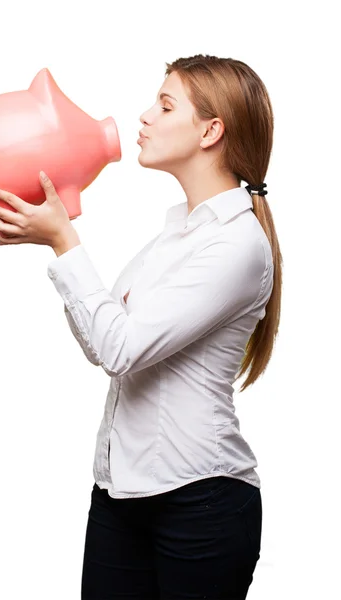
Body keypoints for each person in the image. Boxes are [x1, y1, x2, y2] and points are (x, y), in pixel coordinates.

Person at [46, 54, 283, 599]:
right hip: (119, 493)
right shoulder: (173, 237)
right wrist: (57, 244)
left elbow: (120, 347)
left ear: (211, 130)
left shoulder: (237, 246)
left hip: (200, 501)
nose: (145, 116)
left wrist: (64, 242)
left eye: (165, 104)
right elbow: (102, 341)